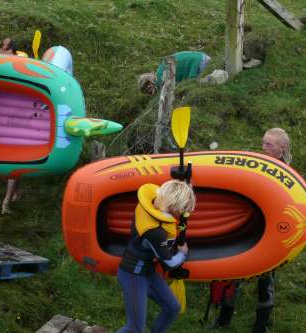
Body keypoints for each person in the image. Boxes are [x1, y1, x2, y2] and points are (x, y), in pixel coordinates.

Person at [210, 128, 292, 333]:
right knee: (234, 274)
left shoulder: (287, 176)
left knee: (265, 282)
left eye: (269, 145)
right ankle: (223, 321)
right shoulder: (258, 166)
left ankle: (261, 326)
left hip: (269, 237)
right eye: (263, 143)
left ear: (281, 149)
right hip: (247, 230)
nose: (263, 148)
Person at [117, 179, 196, 333]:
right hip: (133, 275)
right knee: (134, 328)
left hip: (148, 272)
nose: (184, 212)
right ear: (174, 204)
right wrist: (182, 253)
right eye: (183, 208)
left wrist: (186, 189)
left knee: (172, 308)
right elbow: (170, 264)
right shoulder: (156, 231)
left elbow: (173, 198)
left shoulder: (148, 205)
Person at [0, 38, 24, 214]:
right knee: (9, 162)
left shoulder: (19, 64)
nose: (3, 50)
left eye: (6, 48)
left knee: (15, 161)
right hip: (1, 118)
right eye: (1, 47)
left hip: (16, 118)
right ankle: (14, 192)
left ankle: (6, 200)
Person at [138, 51, 211, 95]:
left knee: (192, 88)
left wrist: (191, 79)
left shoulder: (162, 80)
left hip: (200, 64)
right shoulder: (160, 70)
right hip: (202, 57)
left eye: (150, 93)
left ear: (150, 86)